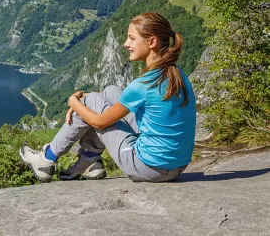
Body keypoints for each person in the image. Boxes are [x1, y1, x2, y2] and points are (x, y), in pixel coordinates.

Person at [19, 12, 196, 182]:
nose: (126, 44)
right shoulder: (176, 74)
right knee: (111, 91)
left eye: (132, 38)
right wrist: (88, 99)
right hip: (175, 166)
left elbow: (100, 122)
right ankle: (90, 159)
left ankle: (47, 160)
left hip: (147, 167)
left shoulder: (144, 84)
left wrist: (74, 101)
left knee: (90, 102)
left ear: (152, 42)